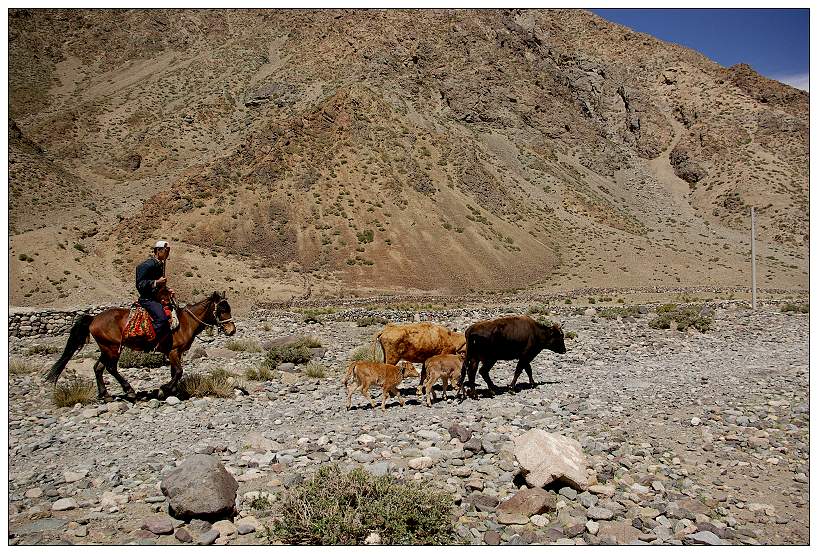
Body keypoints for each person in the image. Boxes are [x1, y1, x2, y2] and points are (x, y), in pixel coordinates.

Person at [135, 240, 174, 343]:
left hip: (157, 297)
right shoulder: (146, 265)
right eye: (166, 251)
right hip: (147, 299)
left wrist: (167, 290)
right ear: (158, 251)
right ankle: (149, 341)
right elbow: (140, 284)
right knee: (162, 319)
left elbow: (159, 285)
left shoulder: (158, 265)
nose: (167, 254)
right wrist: (156, 282)